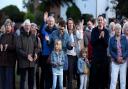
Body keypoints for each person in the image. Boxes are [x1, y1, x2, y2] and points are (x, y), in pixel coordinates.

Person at [16, 19, 39, 89]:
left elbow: (36, 47)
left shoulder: (33, 36)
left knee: (31, 80)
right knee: (23, 79)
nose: (28, 27)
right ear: (24, 26)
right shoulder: (20, 36)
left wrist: (35, 54)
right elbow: (18, 49)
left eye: (29, 25)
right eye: (26, 25)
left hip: (31, 61)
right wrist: (27, 56)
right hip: (23, 62)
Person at [88, 15, 110, 89]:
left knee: (102, 75)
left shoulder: (106, 31)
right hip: (95, 56)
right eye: (99, 20)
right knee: (94, 75)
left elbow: (106, 45)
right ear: (97, 21)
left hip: (103, 57)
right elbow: (92, 43)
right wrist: (99, 37)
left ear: (103, 21)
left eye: (101, 20)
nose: (100, 21)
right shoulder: (94, 30)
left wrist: (103, 38)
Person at [39, 11, 58, 89]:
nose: (50, 22)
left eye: (52, 21)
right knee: (46, 75)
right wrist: (44, 20)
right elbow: (41, 30)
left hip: (54, 56)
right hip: (45, 55)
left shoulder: (56, 31)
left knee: (53, 75)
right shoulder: (44, 30)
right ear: (47, 22)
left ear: (54, 22)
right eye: (49, 21)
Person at [109, 23, 128, 89]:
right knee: (113, 80)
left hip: (123, 62)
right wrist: (117, 58)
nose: (118, 30)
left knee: (123, 81)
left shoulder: (124, 38)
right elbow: (110, 51)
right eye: (117, 29)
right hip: (115, 62)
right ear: (114, 30)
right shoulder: (111, 39)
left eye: (120, 29)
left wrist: (123, 57)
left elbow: (127, 50)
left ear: (121, 29)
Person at [0, 19, 16, 89]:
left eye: (9, 25)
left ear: (11, 27)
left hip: (10, 62)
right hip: (2, 61)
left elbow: (16, 47)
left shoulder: (14, 36)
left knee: (8, 81)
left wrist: (8, 46)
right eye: (6, 25)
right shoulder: (2, 36)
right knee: (2, 80)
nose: (7, 27)